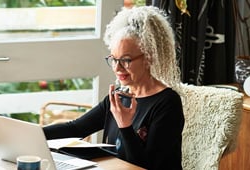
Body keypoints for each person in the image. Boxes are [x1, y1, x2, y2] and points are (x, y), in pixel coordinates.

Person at [43, 6, 184, 170]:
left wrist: (125, 125)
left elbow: (146, 166)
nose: (117, 68)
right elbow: (75, 128)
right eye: (113, 59)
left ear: (149, 58)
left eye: (125, 60)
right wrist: (34, 134)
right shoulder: (119, 97)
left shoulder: (167, 103)